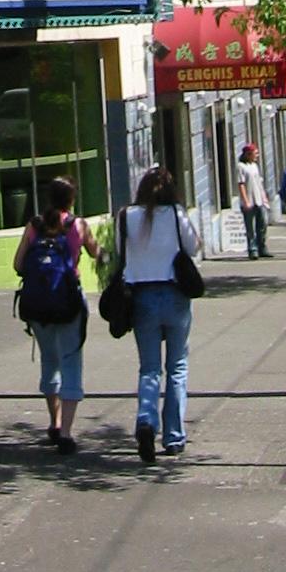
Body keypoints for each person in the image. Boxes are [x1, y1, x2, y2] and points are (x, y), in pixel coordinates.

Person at [12, 174, 99, 455]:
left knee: (49, 360)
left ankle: (54, 421)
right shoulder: (78, 225)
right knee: (71, 362)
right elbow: (98, 253)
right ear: (72, 198)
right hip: (69, 302)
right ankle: (66, 432)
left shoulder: (35, 225)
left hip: (38, 306)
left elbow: (18, 264)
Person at [120, 166, 201, 462]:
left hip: (142, 296)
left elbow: (121, 254)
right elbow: (193, 246)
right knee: (177, 366)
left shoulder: (127, 216)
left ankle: (146, 420)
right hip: (175, 293)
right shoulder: (177, 214)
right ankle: (174, 437)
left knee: (150, 368)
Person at [235, 143, 272, 259]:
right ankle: (252, 249)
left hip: (259, 200)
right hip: (249, 200)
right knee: (250, 227)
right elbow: (241, 184)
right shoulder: (241, 166)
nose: (257, 155)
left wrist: (264, 197)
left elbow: (259, 183)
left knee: (262, 224)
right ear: (248, 154)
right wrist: (246, 201)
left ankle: (262, 247)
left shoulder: (255, 166)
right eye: (255, 153)